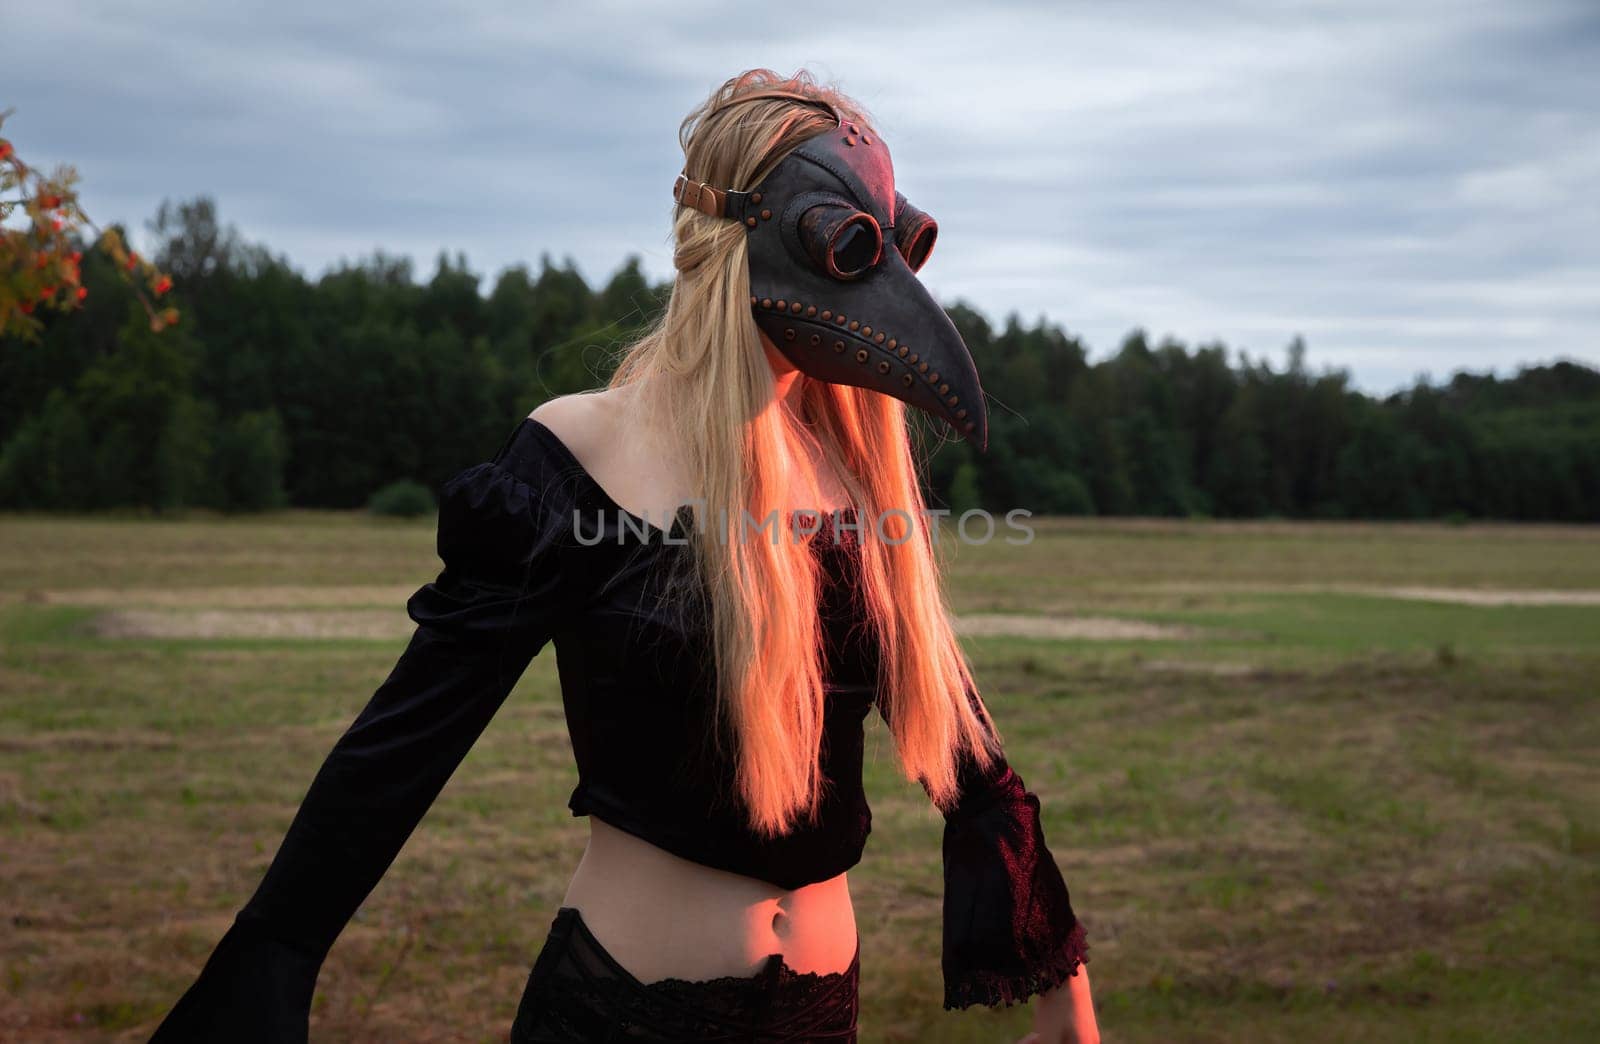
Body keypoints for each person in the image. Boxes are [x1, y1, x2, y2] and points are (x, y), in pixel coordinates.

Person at [147, 68, 1098, 1044]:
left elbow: (956, 733)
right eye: (847, 239)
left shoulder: (852, 477)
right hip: (620, 1011)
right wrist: (274, 958)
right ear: (739, 238)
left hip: (820, 1011)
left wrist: (1058, 974)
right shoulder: (583, 455)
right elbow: (409, 736)